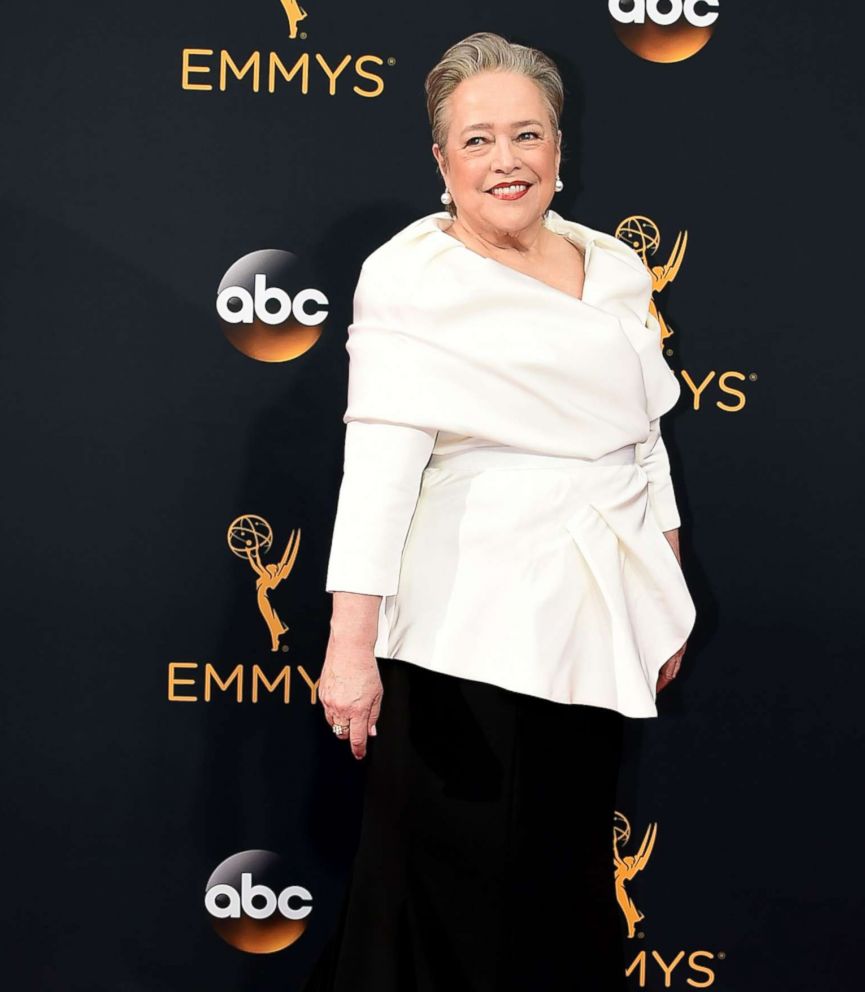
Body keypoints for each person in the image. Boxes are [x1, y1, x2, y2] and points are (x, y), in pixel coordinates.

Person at [301, 30, 697, 992]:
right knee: (441, 884)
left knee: (559, 875)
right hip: (460, 628)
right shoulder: (411, 277)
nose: (505, 161)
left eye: (526, 135)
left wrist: (665, 586)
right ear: (440, 161)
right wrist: (350, 647)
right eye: (476, 141)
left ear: (560, 147)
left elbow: (643, 441)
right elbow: (379, 468)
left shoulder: (611, 267)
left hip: (591, 618)